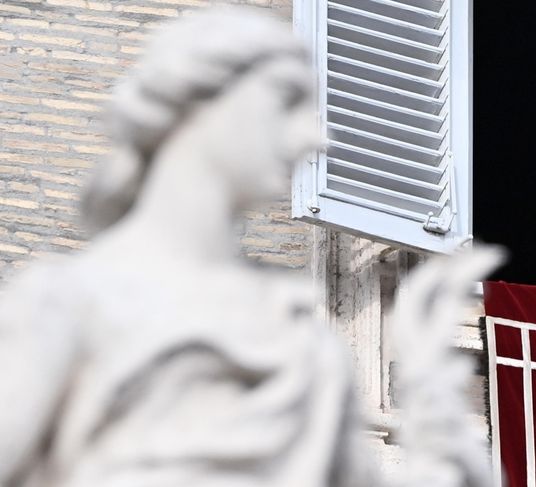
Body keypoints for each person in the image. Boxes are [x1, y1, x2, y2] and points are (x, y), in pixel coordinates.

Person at [0, 7, 497, 487]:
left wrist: (434, 398)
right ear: (200, 98)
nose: (315, 137)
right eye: (285, 100)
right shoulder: (67, 303)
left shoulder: (301, 335)